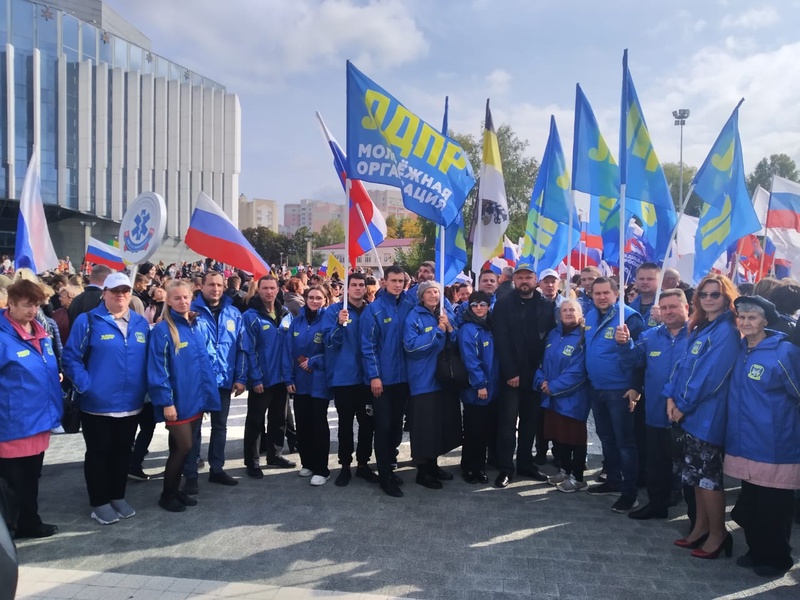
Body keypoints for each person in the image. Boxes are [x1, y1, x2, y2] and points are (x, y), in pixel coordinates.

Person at [63, 273, 150, 525]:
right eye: (114, 290)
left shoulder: (140, 323)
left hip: (131, 405)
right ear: (104, 293)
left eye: (125, 290)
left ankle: (117, 496)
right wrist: (87, 385)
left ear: (131, 294)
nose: (120, 295)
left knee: (123, 453)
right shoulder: (87, 320)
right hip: (97, 406)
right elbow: (70, 358)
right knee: (99, 454)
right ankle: (99, 502)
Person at [725, 296, 800, 577]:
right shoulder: (739, 348)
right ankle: (756, 550)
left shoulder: (784, 353)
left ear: (766, 321)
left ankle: (778, 557)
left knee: (774, 508)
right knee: (752, 505)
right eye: (742, 317)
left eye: (752, 317)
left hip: (775, 444)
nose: (745, 322)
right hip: (746, 443)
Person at [666, 274, 740, 559]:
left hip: (707, 415)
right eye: (704, 294)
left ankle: (719, 534)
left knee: (708, 479)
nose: (709, 299)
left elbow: (711, 376)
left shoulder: (727, 331)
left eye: (715, 295)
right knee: (695, 477)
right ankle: (699, 528)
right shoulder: (701, 327)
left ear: (726, 298)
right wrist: (669, 396)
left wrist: (683, 403)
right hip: (690, 413)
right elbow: (682, 365)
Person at [616, 289, 690, 520]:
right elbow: (632, 361)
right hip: (656, 411)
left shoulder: (698, 336)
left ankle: (692, 510)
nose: (668, 311)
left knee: (688, 464)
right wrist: (625, 344)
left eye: (674, 307)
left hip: (689, 413)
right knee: (656, 462)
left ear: (686, 308)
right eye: (664, 307)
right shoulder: (650, 336)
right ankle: (657, 505)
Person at [148, 281, 220, 512]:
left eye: (186, 297)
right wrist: (166, 401)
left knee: (178, 447)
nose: (182, 301)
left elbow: (204, 362)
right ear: (168, 300)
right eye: (177, 298)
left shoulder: (196, 325)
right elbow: (159, 368)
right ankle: (166, 495)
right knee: (184, 446)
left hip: (195, 398)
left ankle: (175, 490)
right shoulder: (163, 330)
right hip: (177, 401)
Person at [0, 280, 62, 539]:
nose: (33, 310)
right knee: (13, 484)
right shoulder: (3, 338)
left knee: (32, 477)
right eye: (27, 305)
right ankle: (10, 529)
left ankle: (29, 521)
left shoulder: (40, 331)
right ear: (10, 304)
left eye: (36, 304)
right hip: (12, 425)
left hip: (38, 421)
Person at [583, 276, 645, 513]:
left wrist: (636, 387)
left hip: (620, 389)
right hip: (597, 388)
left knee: (625, 443)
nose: (601, 297)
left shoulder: (629, 317)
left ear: (616, 293)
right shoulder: (590, 315)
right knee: (606, 438)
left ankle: (629, 493)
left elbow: (641, 357)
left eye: (605, 293)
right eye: (596, 293)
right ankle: (613, 480)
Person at [492, 263, 555, 488]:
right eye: (520, 278)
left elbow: (551, 339)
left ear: (535, 280)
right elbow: (500, 340)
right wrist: (511, 372)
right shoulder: (503, 305)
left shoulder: (547, 305)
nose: (524, 281)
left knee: (530, 422)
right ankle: (506, 468)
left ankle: (526, 464)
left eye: (529, 277)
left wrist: (543, 372)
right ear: (514, 280)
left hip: (536, 375)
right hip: (512, 375)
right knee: (508, 424)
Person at [183, 272, 246, 494]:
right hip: (197, 382)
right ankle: (190, 473)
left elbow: (241, 348)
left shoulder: (233, 313)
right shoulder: (190, 311)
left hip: (224, 380)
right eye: (211, 285)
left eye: (219, 285)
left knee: (220, 427)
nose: (216, 289)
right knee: (194, 429)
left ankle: (216, 469)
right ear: (202, 286)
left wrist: (240, 377)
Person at [361, 265, 415, 497]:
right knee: (382, 427)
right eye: (393, 280)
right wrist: (374, 375)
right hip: (382, 380)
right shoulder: (373, 310)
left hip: (403, 379)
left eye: (401, 281)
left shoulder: (409, 306)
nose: (397, 284)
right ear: (384, 282)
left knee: (395, 426)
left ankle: (390, 466)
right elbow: (368, 346)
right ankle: (384, 475)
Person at [322, 273, 379, 487]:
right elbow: (328, 341)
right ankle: (345, 465)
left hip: (366, 378)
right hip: (344, 378)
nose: (357, 288)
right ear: (346, 288)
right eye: (353, 285)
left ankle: (363, 464)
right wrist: (339, 324)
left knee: (367, 423)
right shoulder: (335, 311)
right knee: (345, 424)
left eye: (360, 285)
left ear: (366, 288)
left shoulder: (371, 310)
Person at [403, 281, 461, 489]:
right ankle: (423, 471)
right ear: (421, 296)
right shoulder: (414, 316)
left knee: (438, 425)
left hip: (443, 379)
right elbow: (411, 346)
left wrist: (450, 328)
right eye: (428, 292)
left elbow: (456, 342)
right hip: (423, 379)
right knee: (424, 427)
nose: (433, 295)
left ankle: (434, 464)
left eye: (436, 291)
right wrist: (437, 331)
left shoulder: (445, 313)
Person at [240, 275, 295, 478]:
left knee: (278, 419)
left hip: (281, 378)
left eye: (272, 288)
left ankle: (275, 454)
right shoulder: (250, 316)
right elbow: (248, 349)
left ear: (278, 289)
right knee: (255, 421)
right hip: (262, 379)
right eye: (265, 288)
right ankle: (252, 461)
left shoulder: (286, 314)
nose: (269, 292)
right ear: (259, 290)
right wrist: (255, 378)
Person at [534, 299, 591, 493]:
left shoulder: (584, 337)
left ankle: (578, 478)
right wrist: (541, 380)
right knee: (560, 437)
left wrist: (553, 387)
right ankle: (564, 471)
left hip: (572, 397)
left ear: (580, 314)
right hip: (551, 396)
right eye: (564, 310)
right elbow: (541, 360)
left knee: (574, 437)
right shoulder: (554, 334)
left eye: (572, 310)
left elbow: (578, 371)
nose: (568, 313)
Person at [283, 286, 332, 486]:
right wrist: (288, 378)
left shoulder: (328, 321)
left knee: (318, 423)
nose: (314, 301)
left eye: (318, 298)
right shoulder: (296, 322)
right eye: (311, 297)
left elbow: (332, 350)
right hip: (300, 382)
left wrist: (315, 361)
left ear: (325, 300)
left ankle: (322, 468)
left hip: (319, 381)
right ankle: (308, 462)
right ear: (305, 299)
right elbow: (287, 351)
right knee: (302, 423)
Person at [458, 291, 498, 484]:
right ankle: (469, 467)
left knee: (483, 431)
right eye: (475, 305)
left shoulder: (490, 326)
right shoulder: (468, 329)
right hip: (476, 390)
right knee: (473, 431)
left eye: (483, 304)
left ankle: (479, 466)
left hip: (491, 388)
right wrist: (480, 384)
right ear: (469, 307)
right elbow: (470, 360)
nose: (479, 308)